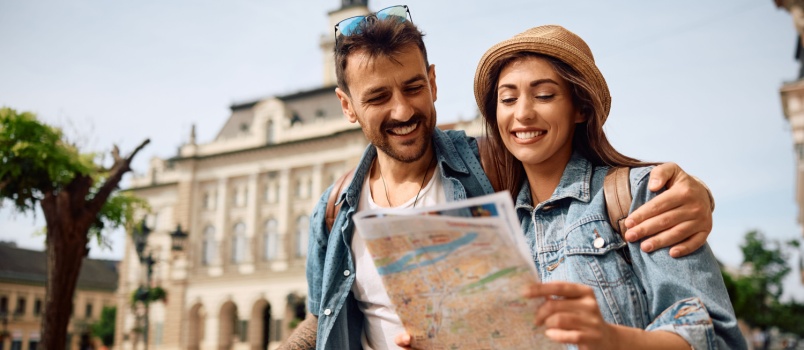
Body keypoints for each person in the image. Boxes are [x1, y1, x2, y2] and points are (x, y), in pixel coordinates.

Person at [281, 6, 717, 350]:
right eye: (377, 97)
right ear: (347, 105)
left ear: (433, 82)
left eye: (413, 87)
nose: (402, 110)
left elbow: (571, 174)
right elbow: (324, 316)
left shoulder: (491, 166)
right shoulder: (336, 207)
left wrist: (696, 195)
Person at [461, 25, 744, 349]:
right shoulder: (500, 231)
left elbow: (717, 338)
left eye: (544, 95)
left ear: (580, 108)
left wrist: (612, 339)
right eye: (508, 99)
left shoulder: (641, 194)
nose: (522, 113)